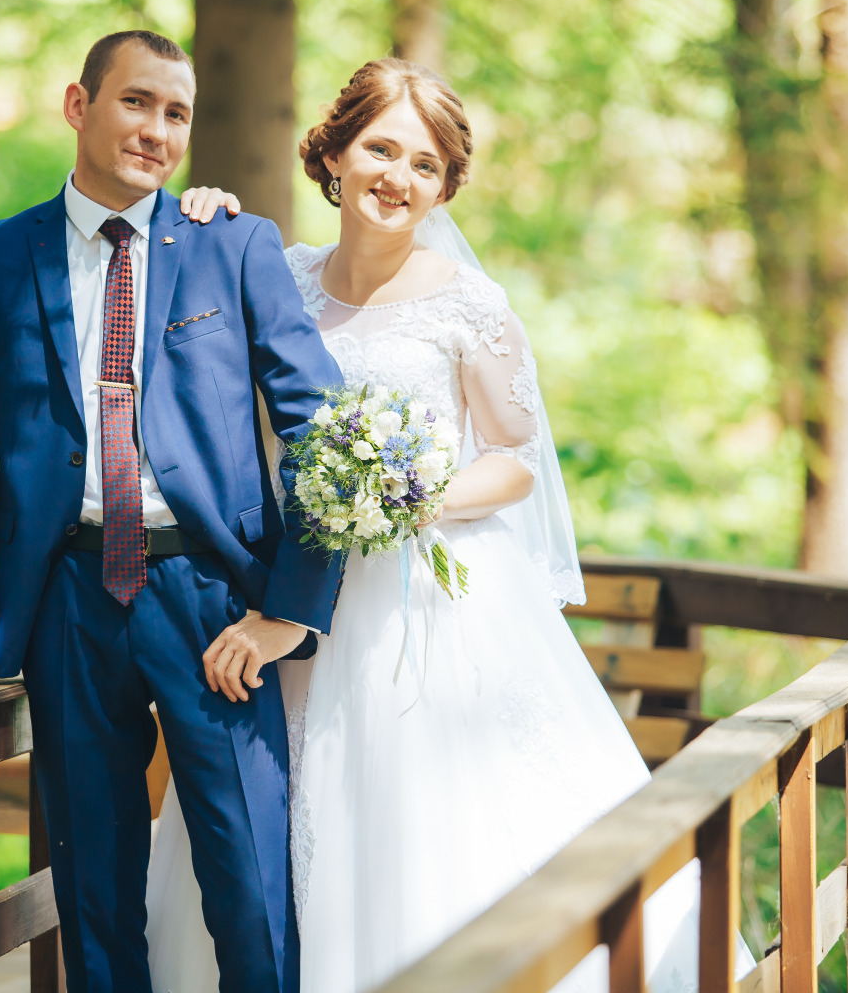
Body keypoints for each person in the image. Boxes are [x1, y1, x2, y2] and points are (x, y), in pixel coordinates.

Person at [146, 58, 756, 992]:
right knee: (271, 822)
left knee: (429, 830)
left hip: (426, 602)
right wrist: (203, 209)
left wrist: (405, 496)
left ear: (444, 187)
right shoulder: (277, 277)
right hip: (296, 595)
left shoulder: (469, 305)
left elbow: (515, 460)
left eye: (425, 165)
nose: (398, 177)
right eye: (380, 149)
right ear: (335, 154)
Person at [0, 29, 345, 993]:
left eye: (177, 114)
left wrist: (289, 606)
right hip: (66, 600)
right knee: (95, 891)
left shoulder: (231, 245)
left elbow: (321, 434)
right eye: (135, 102)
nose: (156, 130)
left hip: (212, 599)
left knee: (247, 878)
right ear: (79, 106)